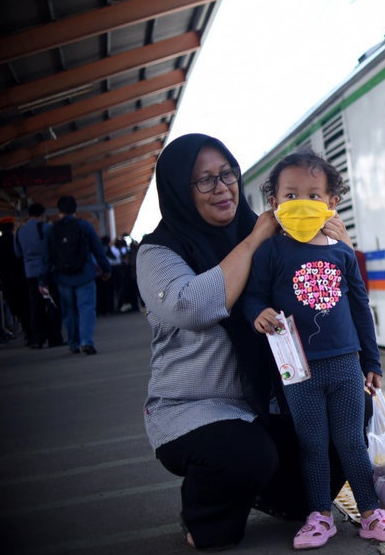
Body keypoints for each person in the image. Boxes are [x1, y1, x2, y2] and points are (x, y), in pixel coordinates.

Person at [137, 133, 361, 551]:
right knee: (243, 462)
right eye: (204, 180)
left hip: (277, 399)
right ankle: (203, 510)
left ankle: (275, 491)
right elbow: (193, 308)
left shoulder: (281, 237)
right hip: (197, 407)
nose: (221, 188)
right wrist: (254, 240)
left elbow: (326, 303)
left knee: (347, 415)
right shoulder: (158, 253)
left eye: (227, 175)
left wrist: (337, 249)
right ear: (177, 190)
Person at [244, 149, 385, 549]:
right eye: (291, 195)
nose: (303, 203)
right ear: (273, 204)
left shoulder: (341, 254)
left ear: (332, 204)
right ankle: (319, 514)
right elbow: (252, 297)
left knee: (351, 441)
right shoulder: (270, 252)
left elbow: (359, 307)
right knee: (313, 443)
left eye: (314, 196)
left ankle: (370, 512)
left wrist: (371, 361)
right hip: (297, 369)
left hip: (345, 365)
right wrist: (258, 313)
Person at [43, 195, 111, 355]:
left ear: (58, 211)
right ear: (75, 210)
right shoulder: (85, 226)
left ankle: (73, 343)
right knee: (86, 308)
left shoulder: (52, 229)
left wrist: (43, 279)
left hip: (62, 277)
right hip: (84, 275)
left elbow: (47, 257)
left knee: (69, 311)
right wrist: (106, 269)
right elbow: (98, 249)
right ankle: (86, 341)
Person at [14, 203, 63, 349]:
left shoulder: (19, 231)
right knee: (52, 304)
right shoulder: (47, 228)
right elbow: (54, 250)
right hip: (47, 272)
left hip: (29, 273)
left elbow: (17, 253)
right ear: (42, 214)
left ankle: (37, 339)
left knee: (35, 306)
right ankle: (54, 338)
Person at [0, 217, 28, 340]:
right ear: (12, 228)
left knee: (13, 306)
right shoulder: (18, 239)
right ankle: (28, 331)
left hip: (5, 280)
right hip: (22, 277)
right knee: (25, 305)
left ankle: (24, 326)